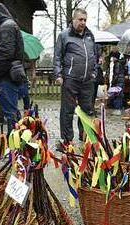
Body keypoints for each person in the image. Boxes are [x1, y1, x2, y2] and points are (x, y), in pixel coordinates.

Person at [53, 8, 97, 144]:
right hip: (70, 79)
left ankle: (85, 136)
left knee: (87, 110)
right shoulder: (64, 35)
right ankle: (67, 140)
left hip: (87, 80)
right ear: (73, 20)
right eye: (80, 20)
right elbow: (57, 57)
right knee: (68, 110)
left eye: (85, 20)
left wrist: (94, 72)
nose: (83, 22)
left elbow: (94, 55)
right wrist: (58, 75)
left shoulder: (90, 36)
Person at [0, 1, 25, 135]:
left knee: (10, 113)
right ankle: (16, 142)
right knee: (12, 111)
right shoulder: (8, 25)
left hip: (5, 77)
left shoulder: (7, 27)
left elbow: (6, 55)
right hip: (6, 75)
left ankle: (14, 147)